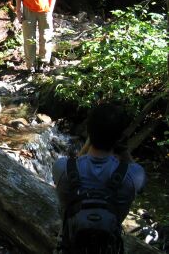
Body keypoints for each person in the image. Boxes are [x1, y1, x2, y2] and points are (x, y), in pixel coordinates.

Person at [52, 103, 146, 253]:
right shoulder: (133, 175)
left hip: (70, 246)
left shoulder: (62, 168)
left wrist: (89, 143)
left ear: (89, 132)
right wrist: (123, 150)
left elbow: (75, 163)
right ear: (120, 138)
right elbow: (141, 184)